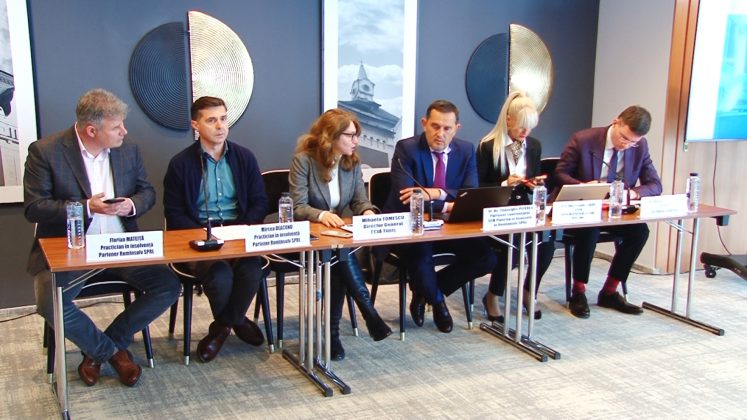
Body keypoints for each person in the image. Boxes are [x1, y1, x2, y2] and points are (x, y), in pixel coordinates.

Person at [24, 88, 181, 387]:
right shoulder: (46, 151)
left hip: (121, 245)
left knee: (168, 286)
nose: (124, 131)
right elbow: (35, 208)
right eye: (116, 126)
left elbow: (147, 192)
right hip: (72, 251)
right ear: (91, 130)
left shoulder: (128, 149)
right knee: (49, 302)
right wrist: (86, 207)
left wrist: (130, 204)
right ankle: (112, 353)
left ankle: (106, 345)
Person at [163, 96, 268, 362]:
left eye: (223, 118)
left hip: (239, 234)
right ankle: (237, 322)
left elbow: (259, 202)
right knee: (220, 274)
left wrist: (242, 228)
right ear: (195, 125)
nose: (220, 126)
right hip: (200, 238)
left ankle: (221, 327)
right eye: (211, 120)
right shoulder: (180, 164)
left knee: (251, 269)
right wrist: (205, 235)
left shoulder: (244, 157)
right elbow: (174, 214)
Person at [383, 99, 497, 333]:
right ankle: (437, 304)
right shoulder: (407, 149)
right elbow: (408, 197)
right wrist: (448, 204)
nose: (440, 133)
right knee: (421, 257)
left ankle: (425, 292)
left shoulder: (466, 150)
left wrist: (436, 194)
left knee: (486, 258)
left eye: (447, 128)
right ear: (424, 123)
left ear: (457, 128)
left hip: (449, 227)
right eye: (435, 126)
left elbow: (470, 192)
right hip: (411, 227)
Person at [289, 108, 392, 361]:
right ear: (331, 136)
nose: (356, 141)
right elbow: (298, 206)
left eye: (357, 135)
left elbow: (360, 201)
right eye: (350, 135)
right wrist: (321, 215)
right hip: (309, 236)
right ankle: (368, 314)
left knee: (339, 261)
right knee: (341, 257)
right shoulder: (304, 161)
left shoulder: (351, 162)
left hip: (335, 237)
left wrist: (368, 212)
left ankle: (333, 333)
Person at [554, 105, 662, 318]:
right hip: (583, 210)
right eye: (624, 138)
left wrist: (634, 193)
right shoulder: (583, 140)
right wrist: (584, 186)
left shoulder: (640, 147)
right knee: (589, 230)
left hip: (614, 211)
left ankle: (610, 291)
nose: (626, 145)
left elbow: (655, 185)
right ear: (616, 122)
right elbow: (559, 175)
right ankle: (578, 291)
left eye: (632, 142)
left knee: (640, 232)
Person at [476, 91, 554, 323]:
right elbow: (477, 186)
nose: (525, 132)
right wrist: (504, 183)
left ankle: (529, 291)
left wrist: (533, 184)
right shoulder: (488, 147)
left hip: (524, 208)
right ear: (508, 119)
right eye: (521, 126)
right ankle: (493, 295)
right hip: (497, 211)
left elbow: (535, 177)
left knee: (546, 244)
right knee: (515, 244)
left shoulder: (534, 146)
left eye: (529, 127)